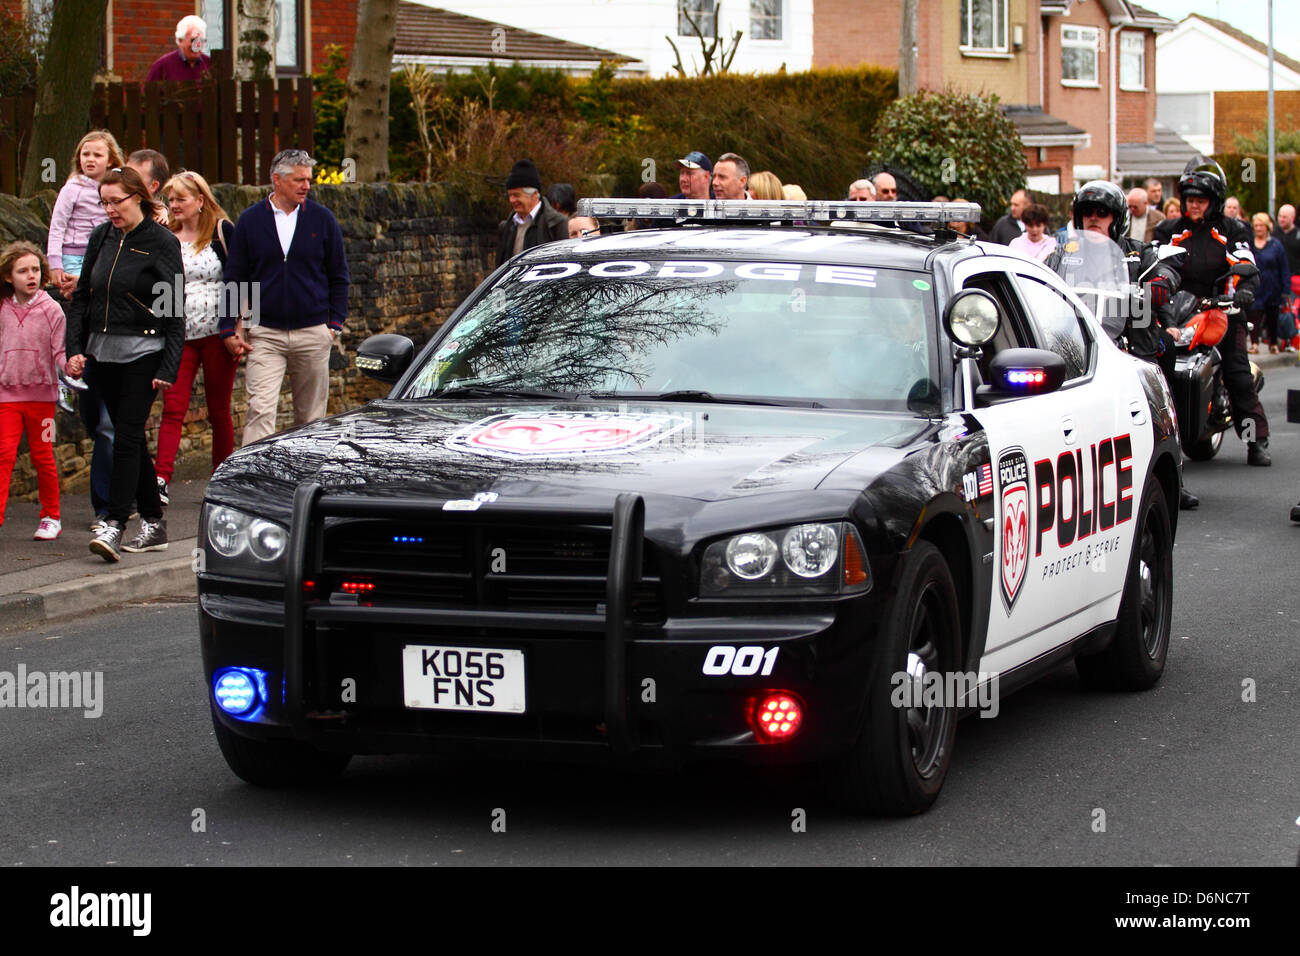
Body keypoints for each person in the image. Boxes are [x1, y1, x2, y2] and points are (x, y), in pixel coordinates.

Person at [1049, 181, 1194, 508]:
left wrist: (1157, 286)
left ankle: (1173, 472)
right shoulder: (1064, 254)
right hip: (1078, 344)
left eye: (1102, 213)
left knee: (1158, 384)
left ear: (1117, 219)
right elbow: (1045, 278)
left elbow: (1168, 270)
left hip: (1131, 342)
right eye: (1087, 213)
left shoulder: (1137, 252)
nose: (1094, 219)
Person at [65, 167, 184, 561]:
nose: (110, 209)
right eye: (104, 202)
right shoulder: (102, 236)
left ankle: (115, 522)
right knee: (126, 436)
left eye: (117, 201)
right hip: (102, 354)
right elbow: (83, 296)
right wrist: (75, 348)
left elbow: (174, 308)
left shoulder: (162, 242)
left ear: (138, 197)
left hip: (144, 354)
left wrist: (168, 366)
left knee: (126, 437)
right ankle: (154, 519)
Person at [222, 149, 350, 446]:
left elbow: (338, 275)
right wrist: (228, 326)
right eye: (298, 180)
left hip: (313, 331)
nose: (306, 186)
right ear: (276, 180)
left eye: (308, 179)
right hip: (264, 333)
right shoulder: (251, 220)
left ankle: (305, 477)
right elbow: (236, 275)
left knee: (311, 417)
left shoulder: (322, 219)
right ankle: (254, 481)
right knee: (260, 410)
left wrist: (334, 323)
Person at [1154, 159, 1270, 467]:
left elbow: (1246, 262)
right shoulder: (1169, 230)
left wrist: (1244, 288)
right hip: (1177, 312)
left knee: (1237, 375)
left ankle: (1256, 442)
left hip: (1221, 309)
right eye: (1189, 199)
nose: (1193, 205)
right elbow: (1152, 264)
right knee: (1152, 367)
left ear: (1214, 202)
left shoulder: (1231, 229)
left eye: (1200, 200)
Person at [47, 130, 122, 530]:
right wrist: (55, 265)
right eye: (84, 154)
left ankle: (114, 507)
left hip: (100, 265)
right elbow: (57, 227)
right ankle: (63, 374)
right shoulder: (72, 188)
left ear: (112, 159)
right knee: (67, 318)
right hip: (74, 259)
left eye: (97, 154)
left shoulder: (119, 194)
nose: (89, 159)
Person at [153, 171, 239, 504]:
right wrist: (161, 330)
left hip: (220, 335)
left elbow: (243, 278)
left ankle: (221, 478)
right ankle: (160, 480)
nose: (174, 205)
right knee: (173, 408)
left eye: (181, 199)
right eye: (170, 200)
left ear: (200, 201)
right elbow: (160, 285)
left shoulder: (223, 232)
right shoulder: (164, 237)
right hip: (179, 336)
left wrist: (245, 329)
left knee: (220, 411)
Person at [0, 242, 66, 540]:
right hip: (7, 397)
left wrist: (72, 365)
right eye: (22, 271)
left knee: (44, 456)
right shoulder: (2, 307)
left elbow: (61, 352)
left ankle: (51, 517)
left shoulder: (52, 309)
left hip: (43, 399)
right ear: (8, 276)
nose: (31, 276)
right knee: (3, 454)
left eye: (36, 270)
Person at [494, 159, 569, 267]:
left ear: (534, 194)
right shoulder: (506, 227)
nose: (512, 200)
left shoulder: (556, 224)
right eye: (509, 195)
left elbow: (564, 264)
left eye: (516, 195)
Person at [1246, 212, 1290, 354]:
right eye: (1256, 226)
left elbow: (1284, 268)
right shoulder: (1250, 244)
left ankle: (1273, 342)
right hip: (1256, 286)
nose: (1258, 228)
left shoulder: (1276, 245)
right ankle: (1254, 343)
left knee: (1273, 317)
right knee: (1254, 315)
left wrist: (1285, 289)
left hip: (1273, 286)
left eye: (1261, 226)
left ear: (1267, 227)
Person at [145, 15, 210, 82]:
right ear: (180, 40)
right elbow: (148, 91)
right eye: (193, 40)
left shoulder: (210, 65)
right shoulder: (162, 66)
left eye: (201, 40)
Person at [126, 149, 172, 225]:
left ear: (153, 186)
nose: (124, 180)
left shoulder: (160, 224)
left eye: (134, 177)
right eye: (125, 173)